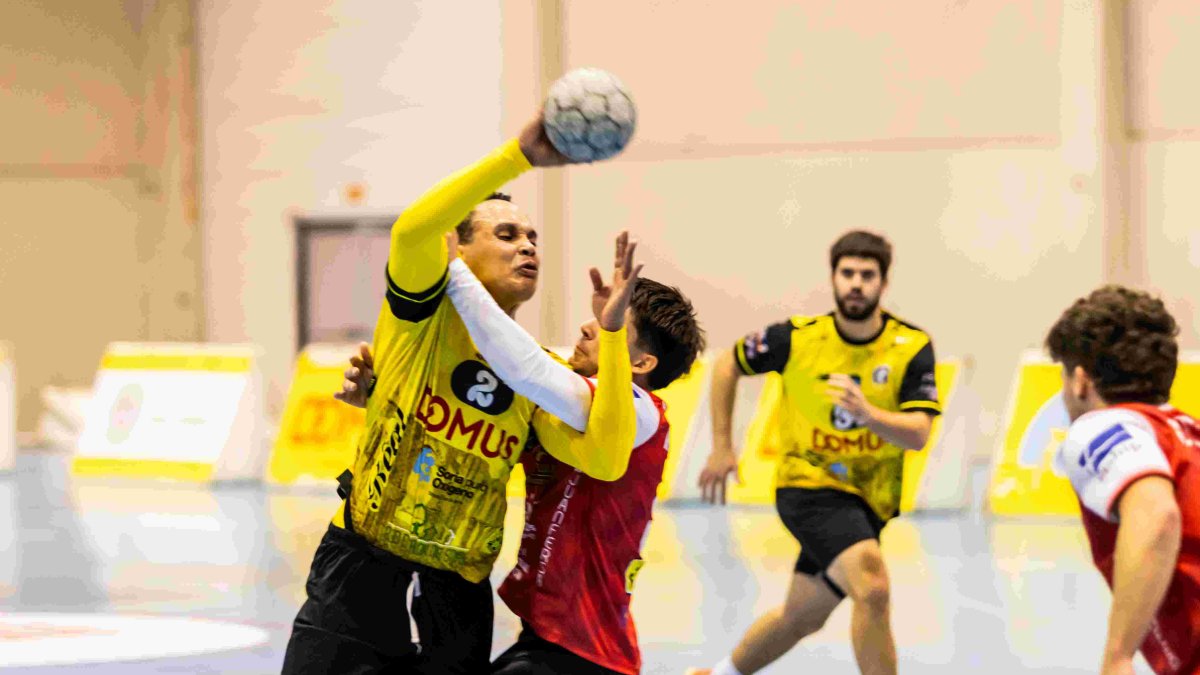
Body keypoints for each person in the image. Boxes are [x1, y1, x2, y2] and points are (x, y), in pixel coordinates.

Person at [281, 114, 637, 674]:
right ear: (458, 250)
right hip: (364, 563)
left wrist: (614, 338)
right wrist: (519, 156)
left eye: (533, 238)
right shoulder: (420, 314)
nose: (528, 247)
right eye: (506, 234)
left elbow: (603, 456)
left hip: (458, 586)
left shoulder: (539, 371)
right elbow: (411, 233)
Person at [339, 230, 706, 674]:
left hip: (585, 652)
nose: (590, 326)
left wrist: (454, 270)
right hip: (552, 638)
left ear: (643, 363)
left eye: (612, 323)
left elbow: (523, 368)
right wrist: (381, 395)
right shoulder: (570, 406)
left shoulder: (639, 411)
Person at [691, 230, 941, 675]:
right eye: (847, 273)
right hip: (807, 486)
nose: (856, 283)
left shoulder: (911, 346)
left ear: (884, 283)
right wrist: (723, 446)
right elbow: (728, 363)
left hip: (869, 500)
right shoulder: (798, 338)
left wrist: (869, 415)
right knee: (873, 585)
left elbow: (919, 433)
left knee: (800, 616)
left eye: (867, 274)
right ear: (834, 278)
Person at [1046, 285, 1199, 675]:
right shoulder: (1188, 433)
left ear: (1080, 381)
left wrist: (1117, 656)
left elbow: (1157, 513)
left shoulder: (1099, 426)